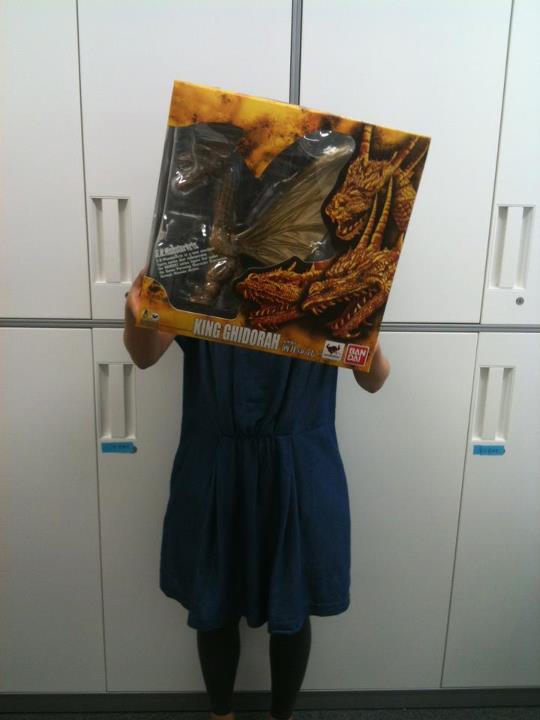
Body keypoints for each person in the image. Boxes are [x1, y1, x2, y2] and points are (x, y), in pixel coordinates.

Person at [124, 266, 390, 720]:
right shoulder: (204, 268)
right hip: (216, 457)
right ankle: (221, 714)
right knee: (214, 599)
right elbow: (144, 354)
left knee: (293, 602)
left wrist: (365, 333)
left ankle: (280, 716)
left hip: (299, 463)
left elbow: (374, 378)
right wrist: (136, 311)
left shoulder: (329, 272)